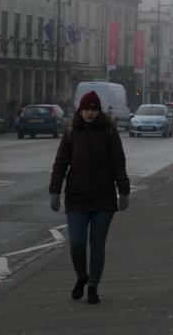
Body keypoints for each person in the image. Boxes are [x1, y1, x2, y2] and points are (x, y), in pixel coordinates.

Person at [49, 91, 130, 305]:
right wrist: (54, 190)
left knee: (97, 245)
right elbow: (60, 163)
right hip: (76, 198)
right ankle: (81, 275)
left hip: (103, 199)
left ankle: (93, 286)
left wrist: (124, 191)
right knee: (76, 243)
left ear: (99, 110)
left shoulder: (109, 131)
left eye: (94, 109)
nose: (90, 113)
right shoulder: (71, 132)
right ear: (80, 110)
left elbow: (118, 163)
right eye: (87, 109)